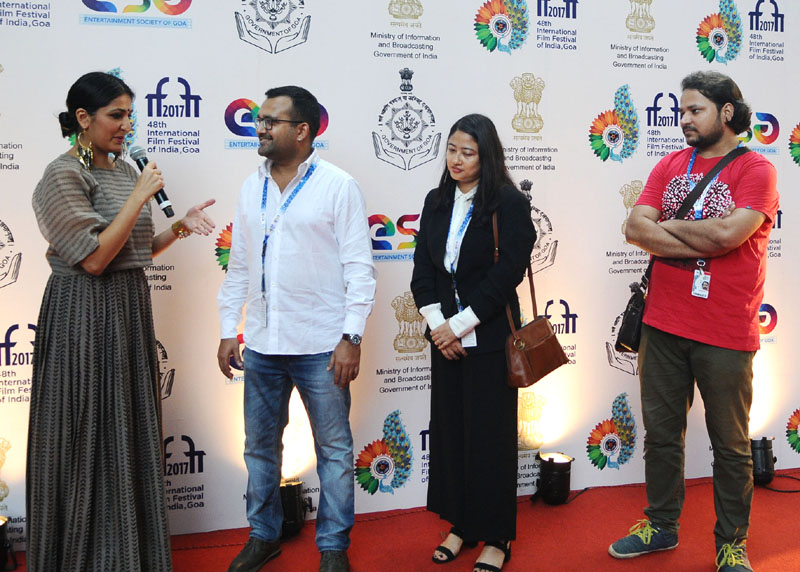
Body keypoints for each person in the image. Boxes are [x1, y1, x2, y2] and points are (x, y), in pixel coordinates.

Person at [27, 71, 216, 571]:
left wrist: (179, 224)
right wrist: (139, 197)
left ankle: (127, 553)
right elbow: (92, 258)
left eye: (130, 114)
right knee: (85, 429)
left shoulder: (125, 170)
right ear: (83, 119)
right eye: (116, 115)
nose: (127, 125)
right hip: (83, 312)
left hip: (128, 307)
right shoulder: (63, 174)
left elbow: (135, 250)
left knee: (125, 430)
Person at [609, 71, 779, 572]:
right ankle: (661, 524)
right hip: (662, 325)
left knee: (729, 445)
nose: (682, 119)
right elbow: (633, 226)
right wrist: (698, 235)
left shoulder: (757, 170)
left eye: (694, 110)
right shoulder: (670, 163)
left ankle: (732, 542)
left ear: (727, 113)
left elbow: (729, 234)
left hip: (726, 331)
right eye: (680, 111)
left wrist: (667, 229)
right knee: (661, 434)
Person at [216, 85, 375, 572]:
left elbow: (359, 269)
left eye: (270, 121)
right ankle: (263, 536)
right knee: (260, 448)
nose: (258, 127)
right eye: (259, 120)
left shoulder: (337, 185)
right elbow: (240, 265)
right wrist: (229, 328)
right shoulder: (251, 186)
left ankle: (333, 549)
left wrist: (351, 337)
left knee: (333, 449)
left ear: (302, 131)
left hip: (321, 345)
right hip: (262, 343)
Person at [410, 114, 536, 572]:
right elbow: (424, 269)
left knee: (490, 438)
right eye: (451, 150)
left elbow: (506, 275)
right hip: (444, 338)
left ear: (487, 156)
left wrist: (459, 325)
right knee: (451, 435)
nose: (457, 160)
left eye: (468, 152)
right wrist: (436, 324)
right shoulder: (437, 199)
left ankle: (497, 535)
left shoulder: (507, 202)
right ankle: (461, 524)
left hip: (488, 337)